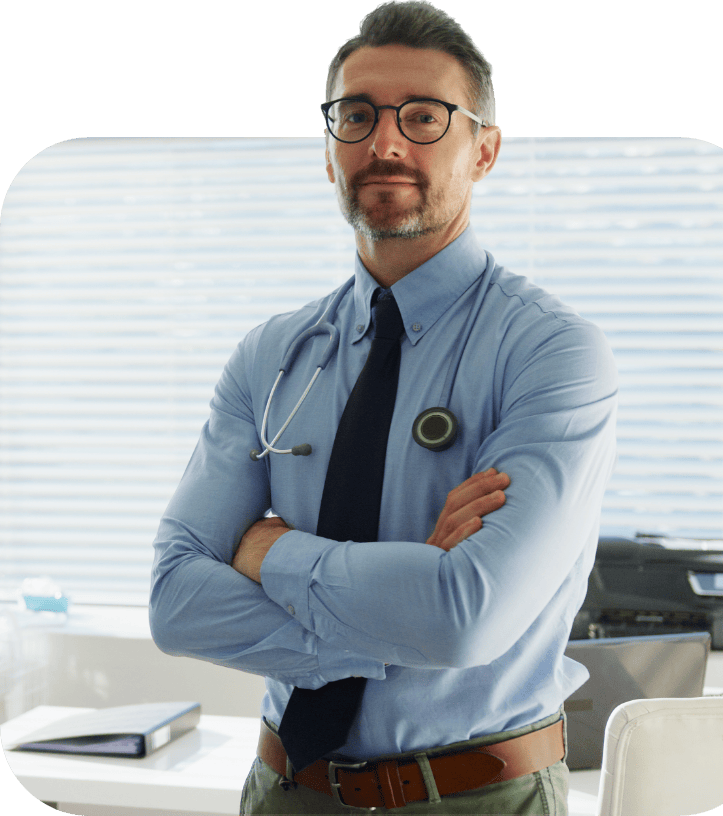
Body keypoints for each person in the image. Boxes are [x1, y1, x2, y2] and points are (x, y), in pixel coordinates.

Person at [149, 2, 618, 813]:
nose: (386, 143)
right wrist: (402, 607)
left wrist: (267, 552)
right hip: (284, 791)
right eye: (357, 115)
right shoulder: (271, 356)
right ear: (330, 152)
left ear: (485, 151)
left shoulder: (552, 352)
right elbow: (175, 603)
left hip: (476, 797)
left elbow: (465, 618)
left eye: (425, 117)